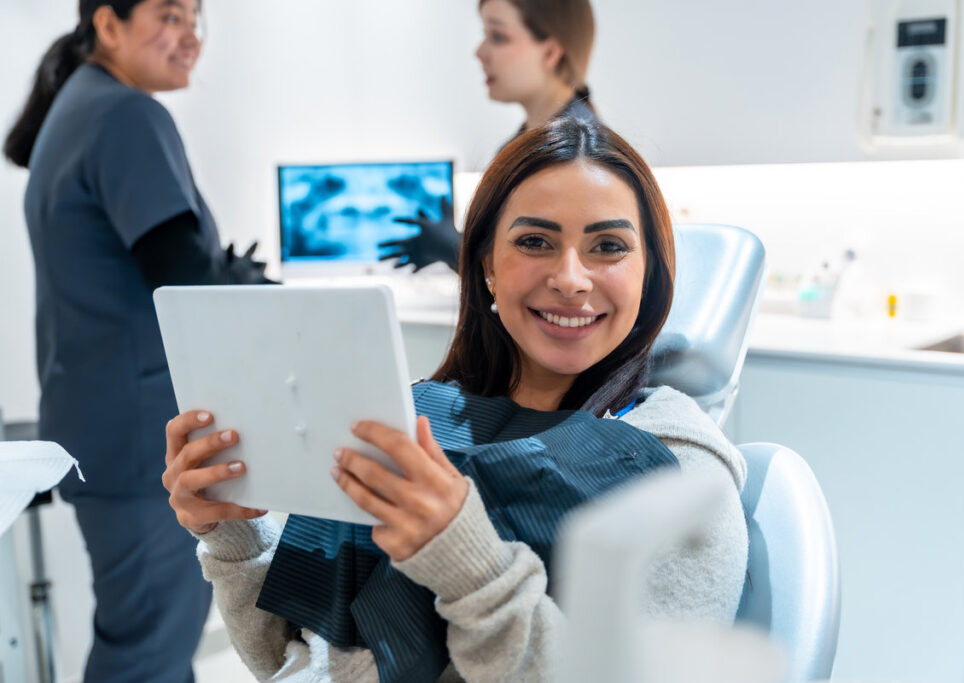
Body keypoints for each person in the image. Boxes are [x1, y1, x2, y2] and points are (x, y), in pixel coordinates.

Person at [163, 116, 748, 682]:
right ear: (488, 264)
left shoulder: (679, 473)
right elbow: (292, 658)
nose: (571, 277)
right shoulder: (413, 417)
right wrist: (234, 533)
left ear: (650, 273)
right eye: (536, 241)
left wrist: (468, 564)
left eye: (609, 246)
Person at [3, 1, 269, 680]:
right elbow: (184, 281)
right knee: (146, 656)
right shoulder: (125, 113)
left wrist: (221, 273)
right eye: (169, 15)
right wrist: (241, 283)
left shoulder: (79, 106)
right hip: (139, 444)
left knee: (142, 642)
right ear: (108, 24)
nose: (187, 38)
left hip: (106, 432)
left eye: (195, 21)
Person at [379, 0, 598, 273]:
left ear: (551, 52)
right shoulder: (525, 144)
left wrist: (455, 250)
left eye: (498, 36)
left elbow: (542, 276)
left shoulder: (577, 153)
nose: (480, 53)